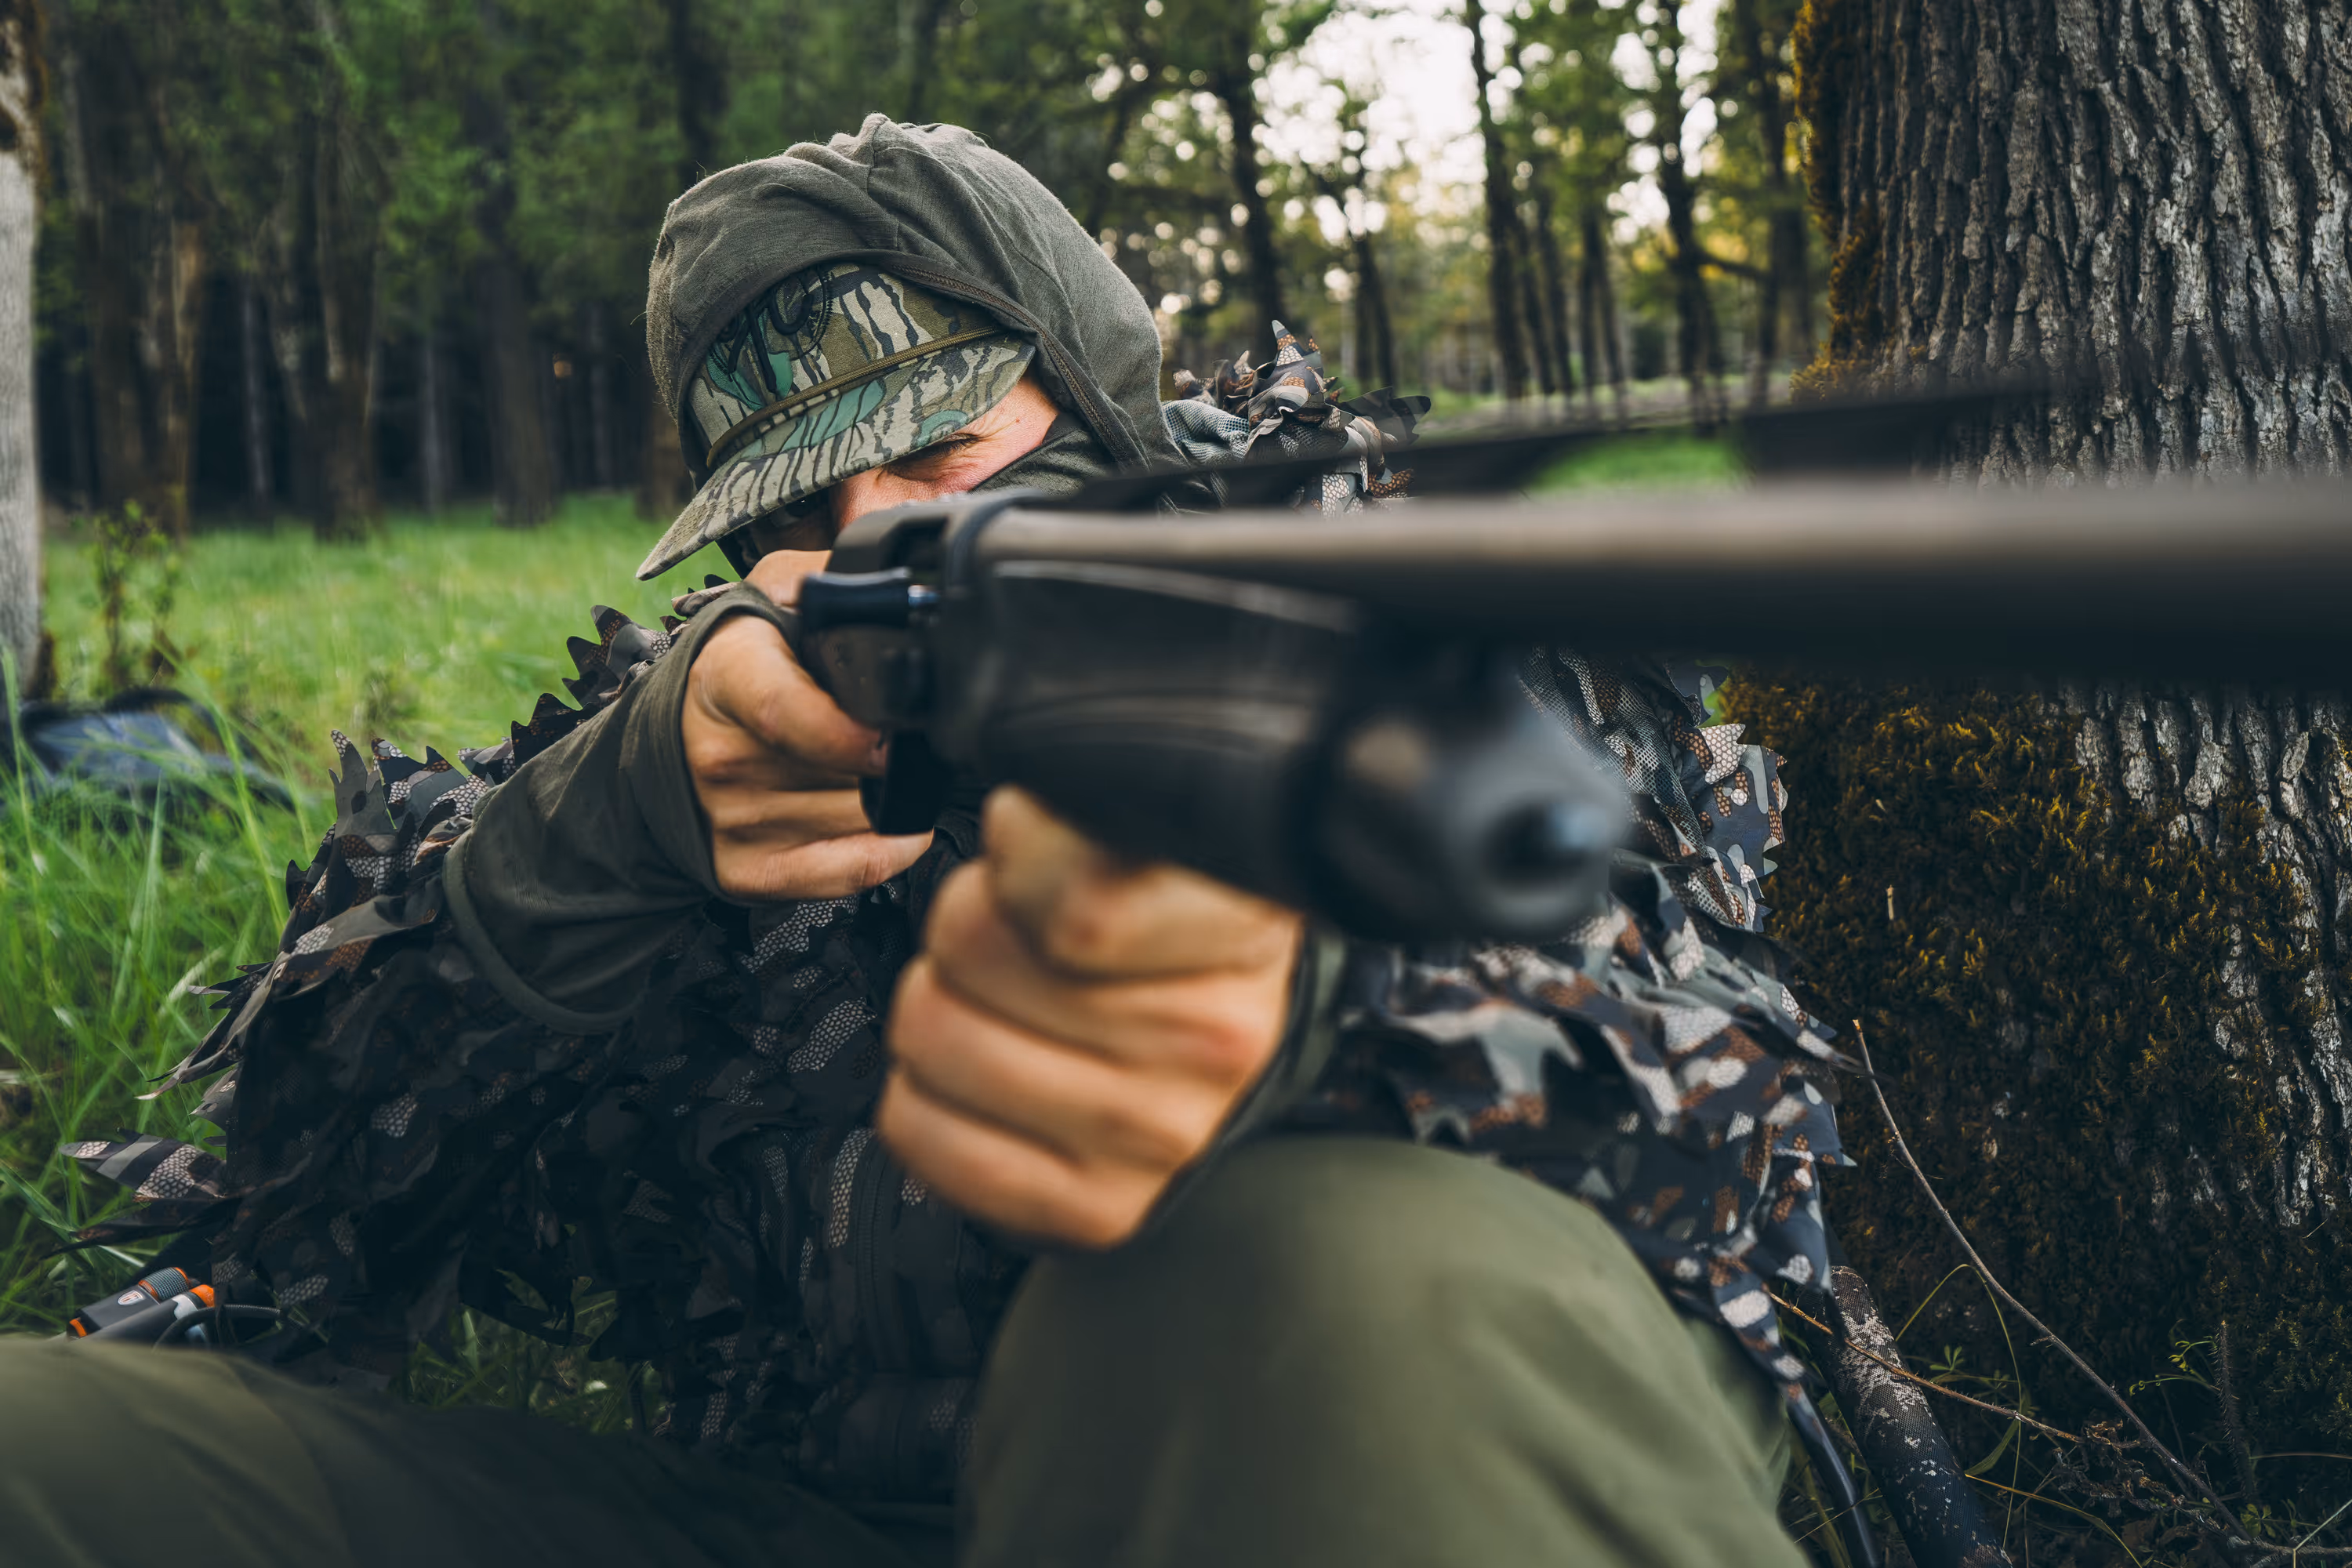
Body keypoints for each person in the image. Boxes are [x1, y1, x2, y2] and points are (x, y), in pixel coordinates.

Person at [0, 117, 1842, 1567]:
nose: (871, 516)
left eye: (946, 439)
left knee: (1342, 1290)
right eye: (792, 499)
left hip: (1320, 1466)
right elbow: (297, 1216)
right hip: (788, 1524)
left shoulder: (1412, 596)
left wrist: (1304, 987)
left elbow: (1695, 1124)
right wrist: (602, 832)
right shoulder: (722, 719)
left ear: (1097, 388)